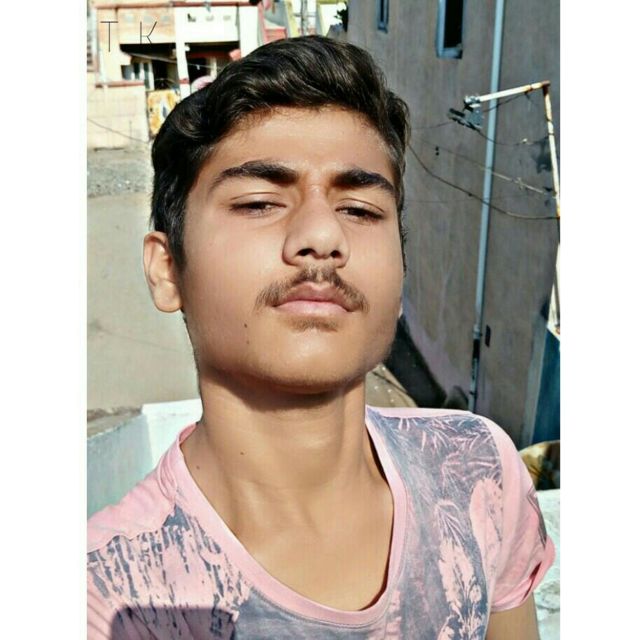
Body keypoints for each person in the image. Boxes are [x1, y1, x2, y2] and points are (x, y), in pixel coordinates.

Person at [87, 35, 555, 639]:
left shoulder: (477, 472)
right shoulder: (106, 598)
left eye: (360, 210)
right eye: (260, 203)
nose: (323, 236)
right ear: (167, 269)